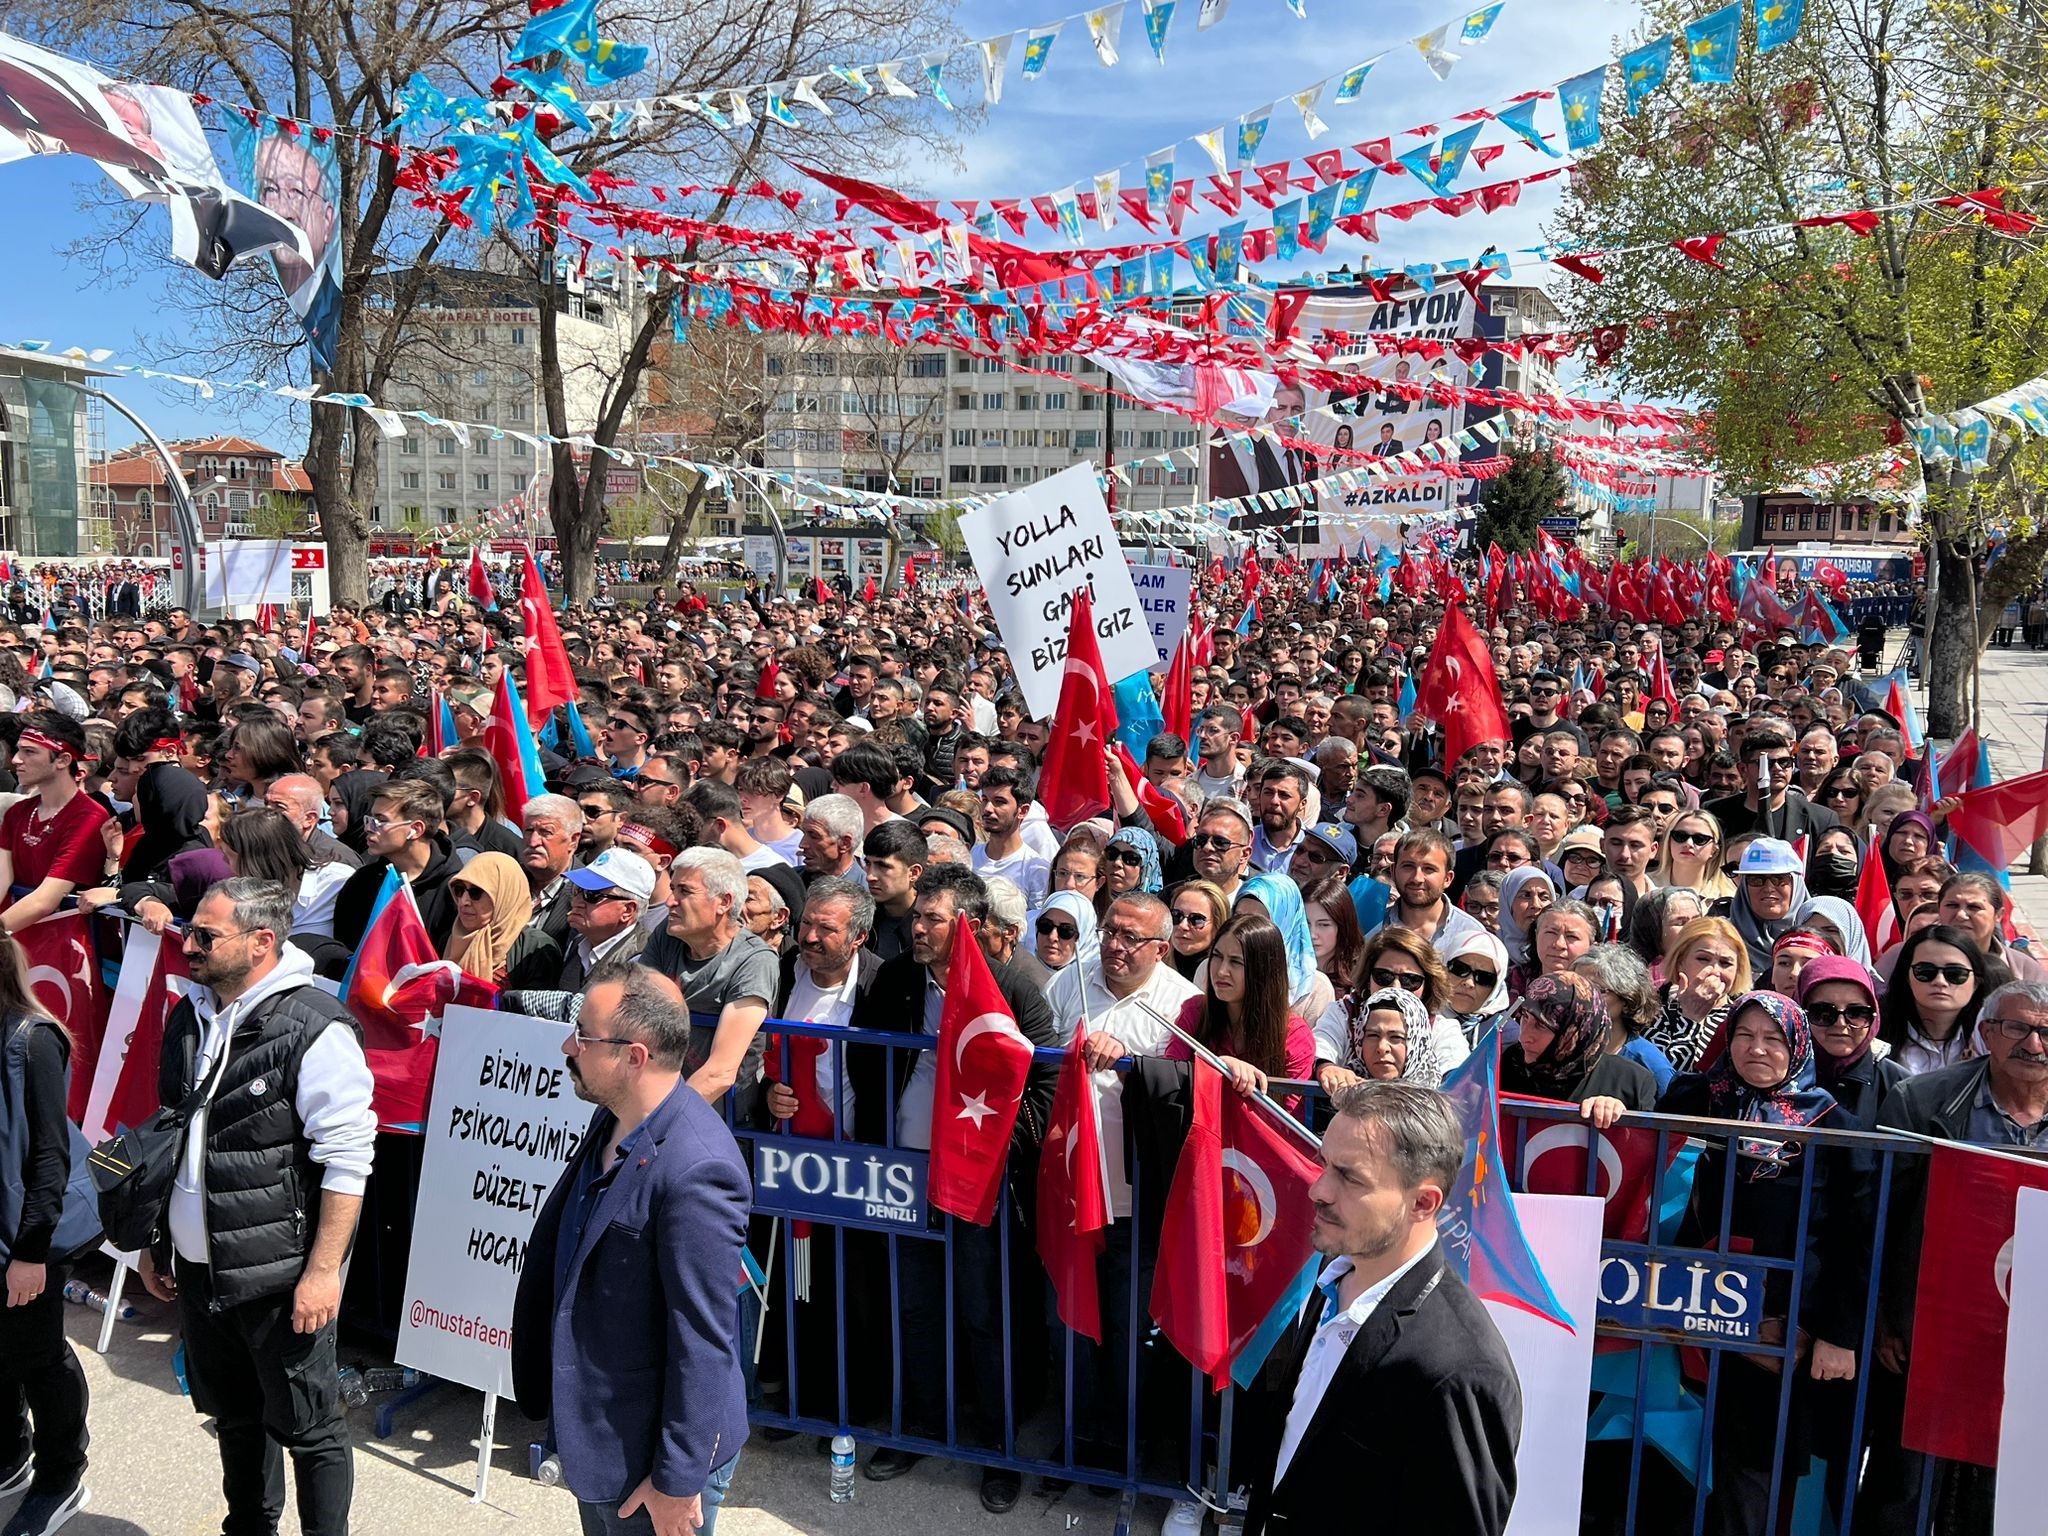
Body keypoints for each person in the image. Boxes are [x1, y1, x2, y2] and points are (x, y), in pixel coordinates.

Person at [136, 878, 376, 1536]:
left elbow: (348, 1161)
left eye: (204, 936)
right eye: (190, 931)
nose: (187, 945)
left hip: (278, 1275)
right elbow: (172, 1135)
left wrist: (324, 1272)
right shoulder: (191, 1012)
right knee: (234, 1415)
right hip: (199, 1267)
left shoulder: (314, 1029)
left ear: (261, 942)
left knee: (310, 1427)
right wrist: (156, 1241)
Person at [510, 963, 751, 1536]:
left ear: (634, 1057)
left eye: (585, 1037)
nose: (569, 1045)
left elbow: (703, 1340)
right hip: (599, 1437)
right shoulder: (615, 1117)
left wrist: (677, 1479)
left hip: (650, 1462)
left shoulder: (698, 1170)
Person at [844, 866, 1057, 1511]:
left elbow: (1045, 1086)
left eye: (933, 918)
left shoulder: (1016, 988)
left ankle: (997, 1450)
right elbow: (865, 1058)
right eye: (917, 917)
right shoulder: (901, 980)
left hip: (979, 1183)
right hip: (907, 1175)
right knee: (915, 1306)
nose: (919, 928)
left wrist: (993, 1152)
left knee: (984, 1313)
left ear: (969, 924)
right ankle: (921, 1430)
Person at [1238, 1081, 1522, 1536]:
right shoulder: (1335, 1276)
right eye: (1324, 1164)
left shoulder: (1460, 1372)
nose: (1318, 1189)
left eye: (1350, 1177)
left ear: (1422, 1203)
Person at [1657, 991, 1861, 1536]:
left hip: (1777, 1327)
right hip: (1684, 1308)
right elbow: (1648, 1156)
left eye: (1773, 1038)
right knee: (1664, 1462)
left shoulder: (1833, 1123)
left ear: (1797, 1044)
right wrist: (1609, 1107)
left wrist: (1837, 1332)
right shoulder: (1696, 1096)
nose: (1757, 1049)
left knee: (1751, 1481)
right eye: (1744, 1035)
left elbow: (1852, 1236)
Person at [1867, 979, 2048, 1530]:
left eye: (2045, 1032)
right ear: (1986, 1033)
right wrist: (1888, 1317)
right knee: (1910, 1482)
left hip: (2035, 1335)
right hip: (1935, 1326)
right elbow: (1885, 1220)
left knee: (2022, 1484)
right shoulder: (1922, 1102)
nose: (2034, 1045)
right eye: (2018, 1028)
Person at [0, 933, 93, 1536]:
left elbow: (49, 1160)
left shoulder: (32, 1040)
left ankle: (62, 1474)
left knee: (37, 1355)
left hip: (24, 1239)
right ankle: (11, 1453)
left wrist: (31, 1255)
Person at [1170, 914, 1318, 1114]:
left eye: (1236, 962)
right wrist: (1216, 1067)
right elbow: (1169, 1080)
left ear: (1264, 970)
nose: (1222, 971)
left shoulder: (1294, 1035)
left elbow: (1290, 1122)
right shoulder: (1195, 1011)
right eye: (1217, 956)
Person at [0, 714, 108, 936]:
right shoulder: (18, 811)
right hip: (17, 935)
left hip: (64, 947)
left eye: (29, 752)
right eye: (19, 750)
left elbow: (45, 900)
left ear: (63, 760)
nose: (16, 759)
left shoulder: (89, 817)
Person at [1502, 972, 1658, 1122]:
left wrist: (1620, 1118)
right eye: (1524, 1017)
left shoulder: (1630, 1083)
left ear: (1575, 1029)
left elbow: (1646, 1145)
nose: (1524, 1037)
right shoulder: (1506, 1065)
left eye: (1541, 1026)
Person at [1876, 923, 2005, 1075]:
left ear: (1976, 982)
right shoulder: (1873, 1033)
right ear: (1907, 977)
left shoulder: (1996, 1036)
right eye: (1925, 971)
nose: (1940, 981)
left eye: (1955, 973)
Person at [442, 851, 562, 990]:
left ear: (504, 896)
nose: (464, 901)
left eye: (476, 892)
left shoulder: (536, 948)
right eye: (459, 890)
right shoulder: (450, 938)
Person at [1647, 915, 1751, 1071]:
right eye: (1703, 959)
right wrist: (1691, 1017)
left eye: (1725, 963)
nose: (1714, 971)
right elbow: (1666, 1077)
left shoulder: (1743, 1019)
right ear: (1681, 961)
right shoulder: (1655, 1015)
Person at [1166, 879, 1227, 981]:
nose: (1183, 926)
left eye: (1196, 919)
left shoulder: (1223, 977)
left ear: (1218, 925)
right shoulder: (1152, 964)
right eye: (1176, 915)